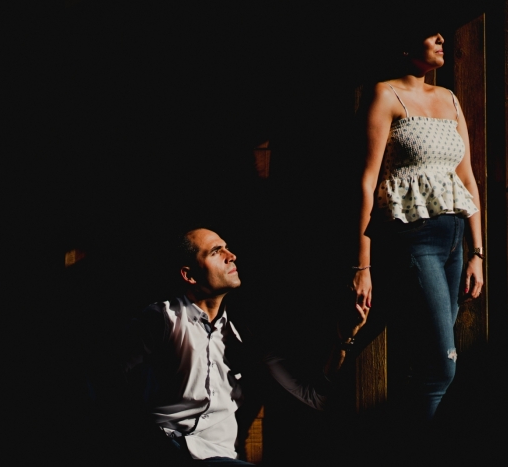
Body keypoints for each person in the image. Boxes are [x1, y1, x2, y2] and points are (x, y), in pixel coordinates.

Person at [121, 226, 368, 465]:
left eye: (227, 248)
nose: (231, 256)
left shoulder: (246, 334)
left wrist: (344, 339)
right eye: (216, 252)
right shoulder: (162, 319)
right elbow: (107, 382)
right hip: (164, 450)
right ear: (189, 275)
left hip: (218, 457)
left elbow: (315, 398)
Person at [351, 30, 484, 425]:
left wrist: (477, 252)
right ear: (405, 46)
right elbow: (366, 181)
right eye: (431, 33)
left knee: (425, 357)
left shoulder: (450, 99)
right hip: (414, 238)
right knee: (442, 366)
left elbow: (468, 179)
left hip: (455, 239)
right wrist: (362, 265)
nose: (442, 38)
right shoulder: (385, 95)